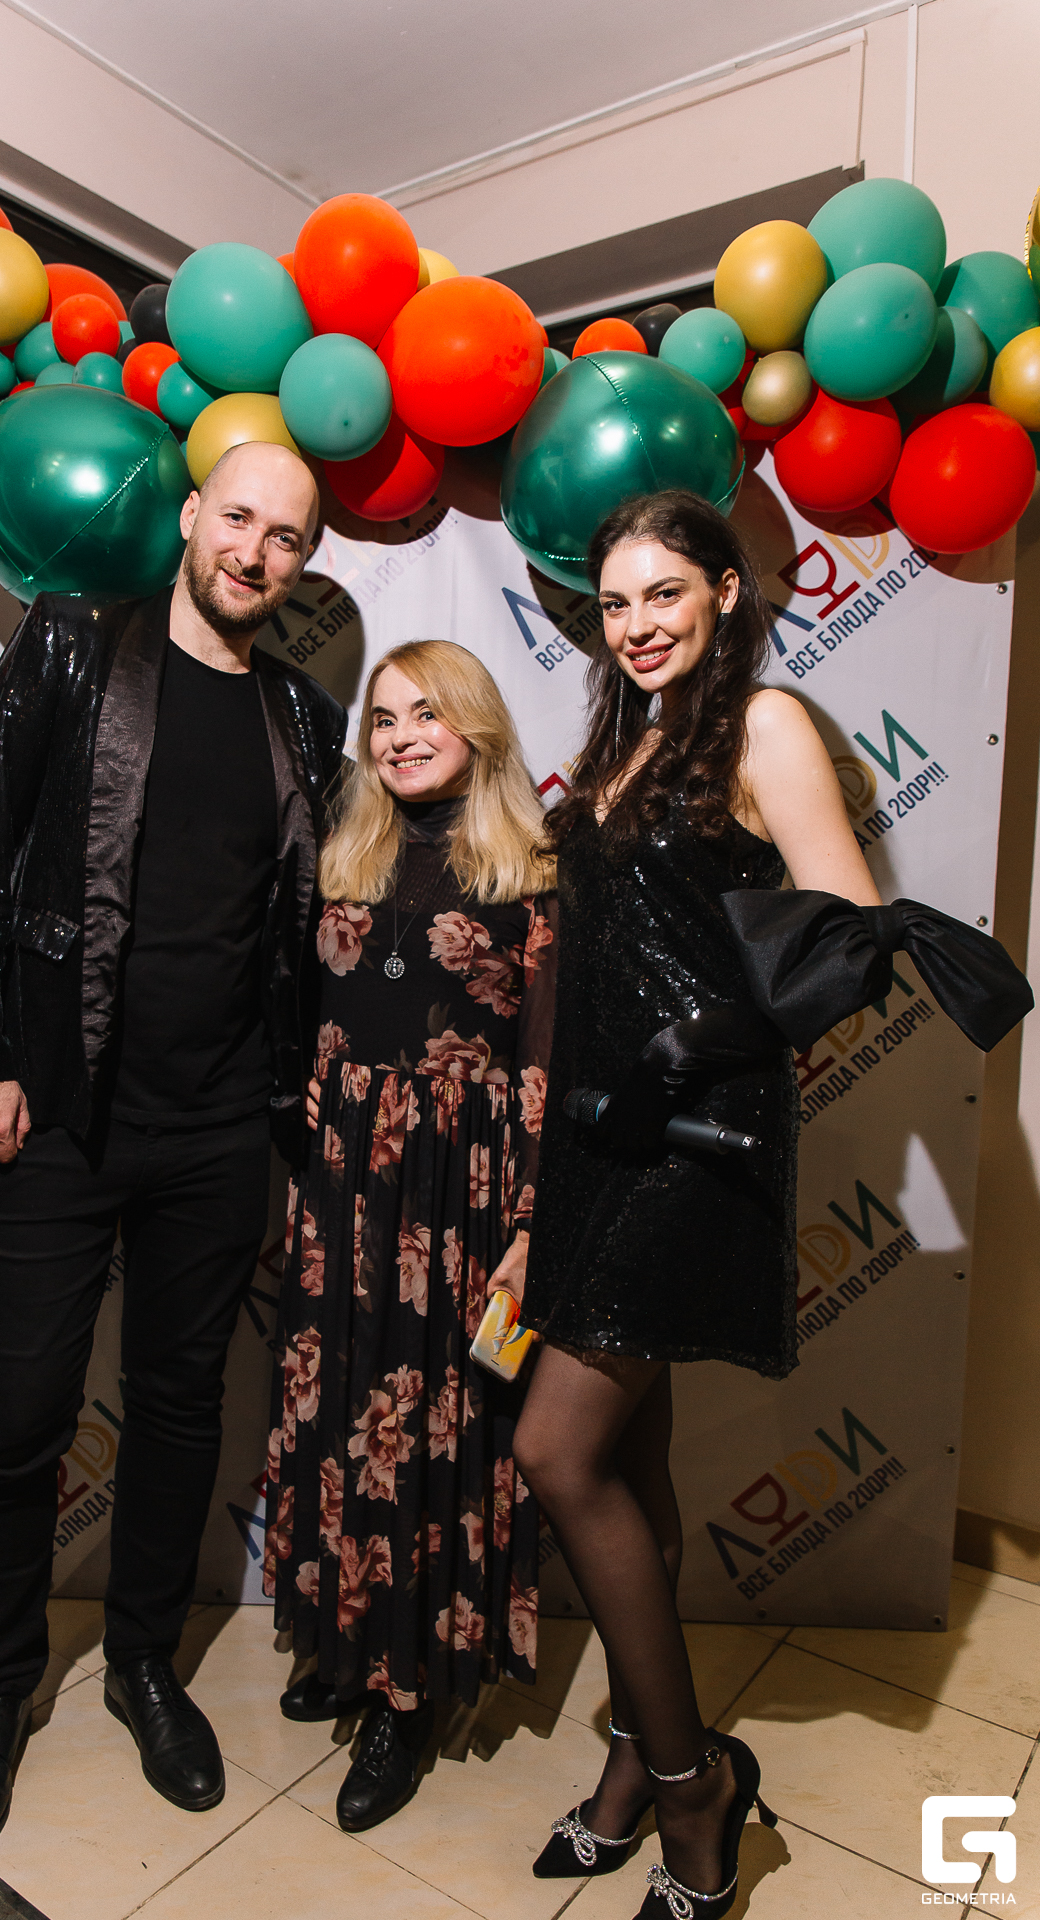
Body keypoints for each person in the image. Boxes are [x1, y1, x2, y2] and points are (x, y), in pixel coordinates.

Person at [0, 440, 345, 1869]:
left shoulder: (302, 716)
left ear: (300, 564)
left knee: (177, 1410)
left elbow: (313, 924)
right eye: (238, 518)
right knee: (15, 1418)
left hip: (219, 1129)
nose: (254, 552)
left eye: (285, 538)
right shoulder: (70, 644)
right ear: (189, 517)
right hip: (51, 1112)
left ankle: (144, 1665)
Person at [513, 489, 878, 1919]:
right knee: (631, 1466)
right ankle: (628, 1764)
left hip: (695, 1135)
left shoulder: (762, 726)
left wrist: (696, 1044)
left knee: (555, 1452)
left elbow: (851, 942)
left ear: (726, 590)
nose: (636, 624)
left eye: (663, 592)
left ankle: (691, 1788)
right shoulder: (627, 742)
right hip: (598, 1135)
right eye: (614, 603)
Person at [264, 640, 559, 1832]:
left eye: (425, 714)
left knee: (432, 1422)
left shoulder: (532, 870)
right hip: (342, 1183)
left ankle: (407, 1685)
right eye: (381, 719)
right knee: (340, 1409)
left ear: (475, 728)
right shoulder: (342, 852)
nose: (398, 737)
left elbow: (543, 1063)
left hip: (457, 1195)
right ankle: (344, 1636)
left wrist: (529, 1223)